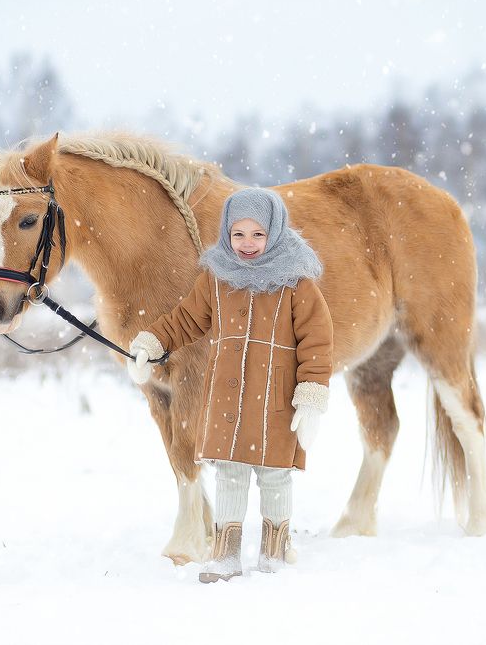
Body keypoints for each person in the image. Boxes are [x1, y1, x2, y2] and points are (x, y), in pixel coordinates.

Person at [126, 187, 333, 583]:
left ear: (274, 231)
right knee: (230, 476)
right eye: (238, 234)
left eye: (258, 234)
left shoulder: (297, 285)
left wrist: (311, 398)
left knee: (275, 476)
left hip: (275, 403)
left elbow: (317, 343)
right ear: (226, 233)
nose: (248, 244)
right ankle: (225, 554)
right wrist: (151, 343)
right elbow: (185, 320)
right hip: (229, 403)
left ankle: (274, 551)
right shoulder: (217, 280)